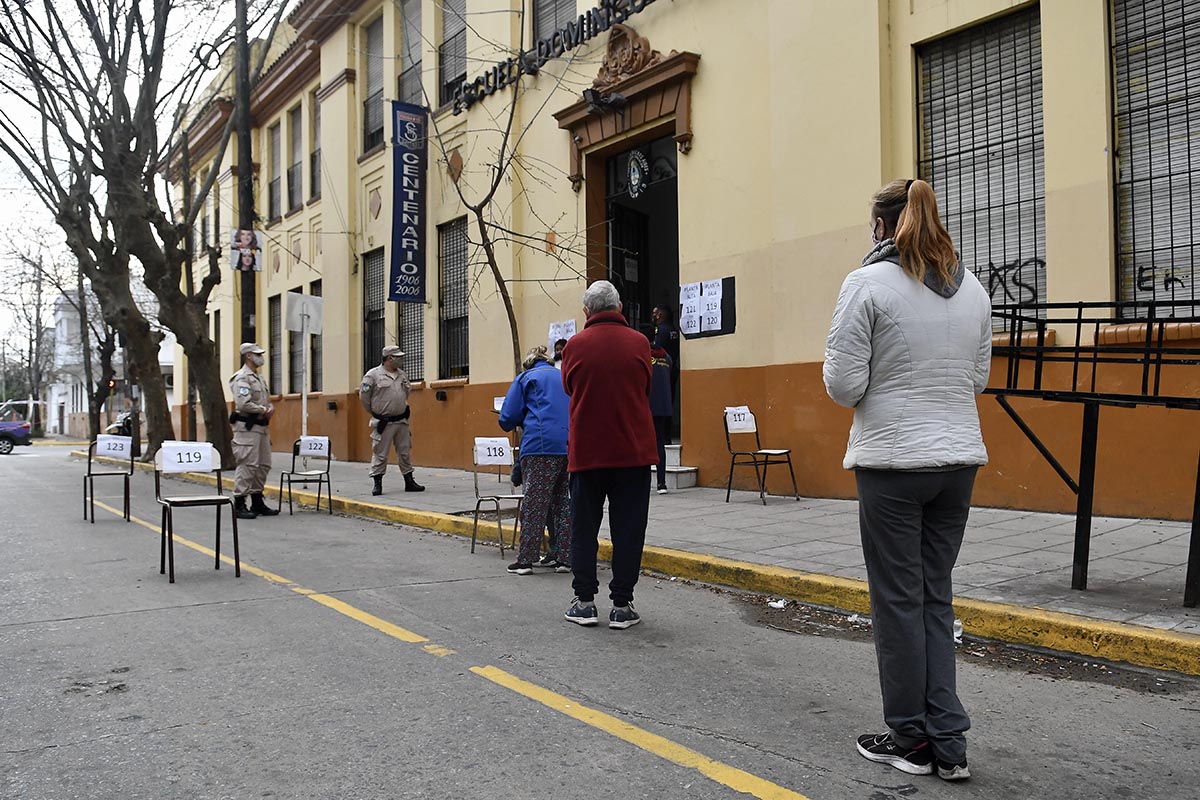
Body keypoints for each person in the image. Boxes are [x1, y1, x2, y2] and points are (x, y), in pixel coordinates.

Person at [824, 179, 992, 782]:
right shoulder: (971, 286)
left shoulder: (865, 284)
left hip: (894, 465)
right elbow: (977, 378)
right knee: (935, 597)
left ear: (880, 226)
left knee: (898, 601)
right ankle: (949, 740)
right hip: (958, 464)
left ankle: (912, 739)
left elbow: (843, 385)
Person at [561, 280, 657, 629]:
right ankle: (622, 604)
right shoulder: (639, 342)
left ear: (587, 312)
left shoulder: (574, 345)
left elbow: (570, 387)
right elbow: (644, 387)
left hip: (587, 454)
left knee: (583, 528)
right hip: (632, 452)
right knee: (629, 530)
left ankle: (584, 601)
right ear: (619, 309)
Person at [498, 345, 572, 575]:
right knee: (564, 504)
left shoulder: (526, 378)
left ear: (529, 362)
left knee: (535, 504)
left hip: (540, 445)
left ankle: (526, 559)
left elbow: (508, 417)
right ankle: (564, 557)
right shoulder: (564, 376)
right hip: (569, 445)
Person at [359, 345, 425, 495]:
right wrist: (377, 413)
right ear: (389, 358)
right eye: (398, 357)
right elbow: (364, 398)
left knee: (404, 451)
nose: (401, 360)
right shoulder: (373, 375)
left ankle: (409, 481)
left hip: (401, 421)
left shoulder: (402, 375)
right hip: (384, 422)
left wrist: (401, 407)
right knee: (380, 453)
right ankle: (377, 483)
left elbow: (406, 392)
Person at [229, 342, 279, 519]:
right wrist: (263, 410)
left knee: (263, 465)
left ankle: (257, 500)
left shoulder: (258, 378)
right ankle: (239, 503)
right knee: (248, 464)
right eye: (258, 354)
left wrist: (268, 407)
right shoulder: (242, 377)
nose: (261, 357)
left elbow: (264, 399)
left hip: (261, 428)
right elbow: (243, 403)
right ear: (248, 356)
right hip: (247, 429)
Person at [648, 333, 673, 494]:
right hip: (663, 405)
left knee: (642, 444)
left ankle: (642, 482)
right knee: (659, 444)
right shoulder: (666, 356)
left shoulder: (641, 354)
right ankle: (661, 483)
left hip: (646, 405)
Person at [651, 303, 679, 441]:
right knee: (668, 402)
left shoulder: (660, 330)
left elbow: (657, 349)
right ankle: (666, 436)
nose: (653, 316)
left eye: (654, 313)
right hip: (673, 369)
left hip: (661, 370)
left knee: (658, 404)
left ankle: (662, 436)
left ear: (659, 315)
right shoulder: (673, 330)